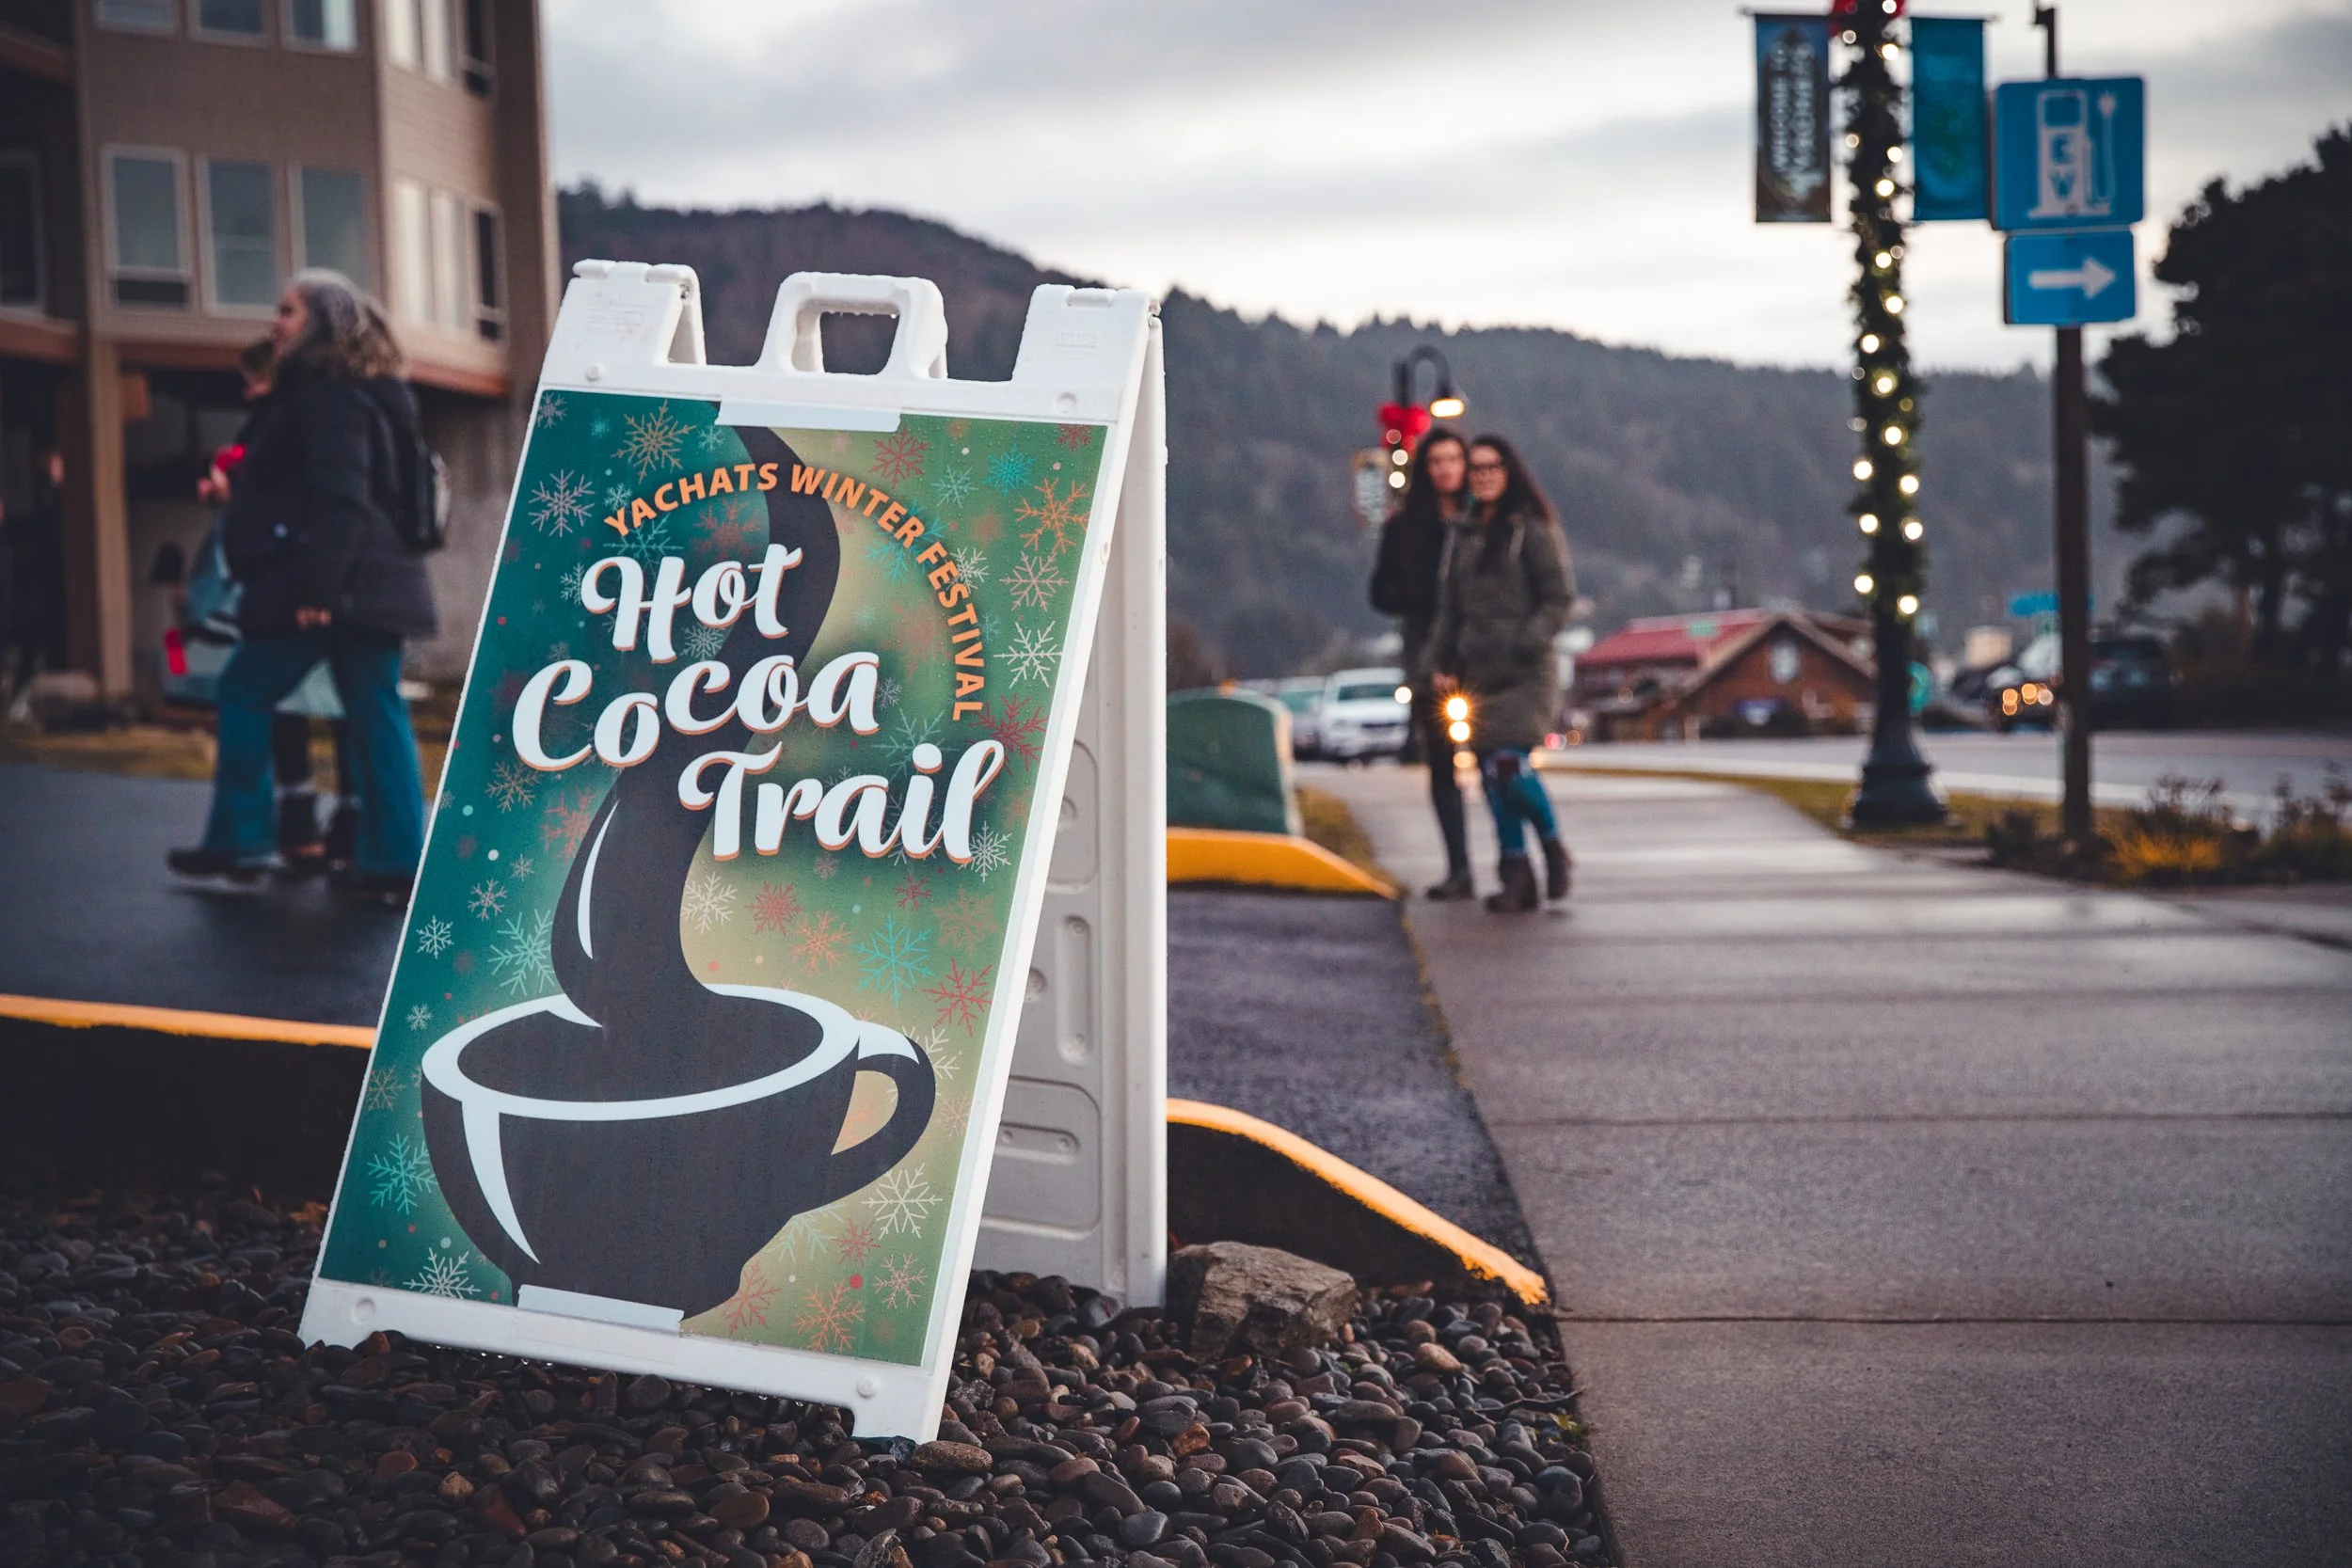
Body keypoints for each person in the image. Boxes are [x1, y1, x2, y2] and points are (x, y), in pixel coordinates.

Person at [169, 270, 436, 900]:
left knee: (244, 688)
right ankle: (397, 860)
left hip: (330, 586)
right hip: (372, 584)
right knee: (377, 711)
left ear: (322, 322)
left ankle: (240, 838)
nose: (276, 321)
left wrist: (319, 589)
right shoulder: (371, 394)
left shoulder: (328, 397)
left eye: (287, 310)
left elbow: (343, 500)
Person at [191, 337, 358, 875]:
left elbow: (302, 501)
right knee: (350, 708)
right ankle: (350, 829)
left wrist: (317, 589)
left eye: (254, 379)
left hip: (298, 588)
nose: (247, 391)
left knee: (261, 695)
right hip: (318, 587)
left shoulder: (289, 421)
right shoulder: (324, 414)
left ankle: (284, 826)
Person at [1427, 436, 1576, 914]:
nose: (1484, 475)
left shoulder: (1531, 529)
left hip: (1526, 675)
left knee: (1509, 769)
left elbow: (1559, 598)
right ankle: (1516, 876)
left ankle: (1553, 846)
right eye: (1477, 468)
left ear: (1509, 472)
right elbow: (1449, 609)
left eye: (1493, 467)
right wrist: (1440, 662)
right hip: (1480, 677)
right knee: (1492, 781)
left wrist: (1528, 640)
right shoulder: (1462, 534)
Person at [1370, 430, 1476, 898]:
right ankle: (1459, 867)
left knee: (1497, 759)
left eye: (1454, 459)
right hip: (1427, 654)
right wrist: (1419, 598)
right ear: (1424, 469)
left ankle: (1518, 860)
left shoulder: (1482, 519)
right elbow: (1380, 592)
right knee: (1441, 764)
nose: (1445, 469)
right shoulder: (1404, 527)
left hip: (1479, 652)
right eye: (1436, 461)